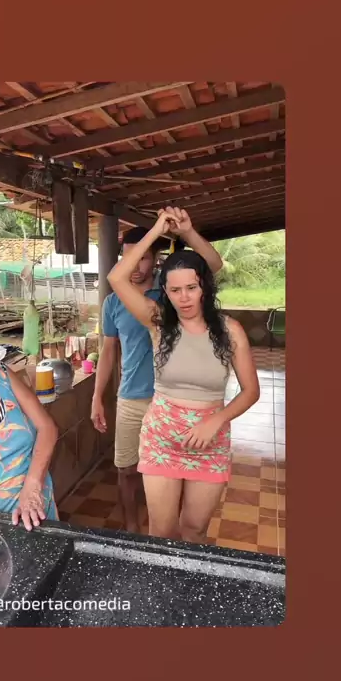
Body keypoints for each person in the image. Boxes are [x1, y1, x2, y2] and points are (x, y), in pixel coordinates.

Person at [107, 207, 260, 545]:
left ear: (204, 286)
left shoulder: (230, 330)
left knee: (194, 531)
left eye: (192, 287)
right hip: (161, 439)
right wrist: (156, 231)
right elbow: (117, 278)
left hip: (210, 441)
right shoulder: (158, 322)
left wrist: (216, 420)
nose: (184, 298)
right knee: (161, 533)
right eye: (175, 290)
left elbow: (251, 391)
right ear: (165, 290)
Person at [91, 211, 223, 533]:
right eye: (128, 258)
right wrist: (97, 397)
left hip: (173, 403)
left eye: (143, 258)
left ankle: (168, 531)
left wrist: (186, 232)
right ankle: (132, 530)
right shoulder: (114, 303)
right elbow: (108, 351)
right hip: (130, 397)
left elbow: (212, 265)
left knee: (174, 473)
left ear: (156, 260)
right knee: (126, 470)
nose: (136, 266)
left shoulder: (171, 294)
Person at [0, 317, 59, 580]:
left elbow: (47, 427)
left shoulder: (1, 375)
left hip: (39, 509)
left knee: (52, 581)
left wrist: (33, 486)